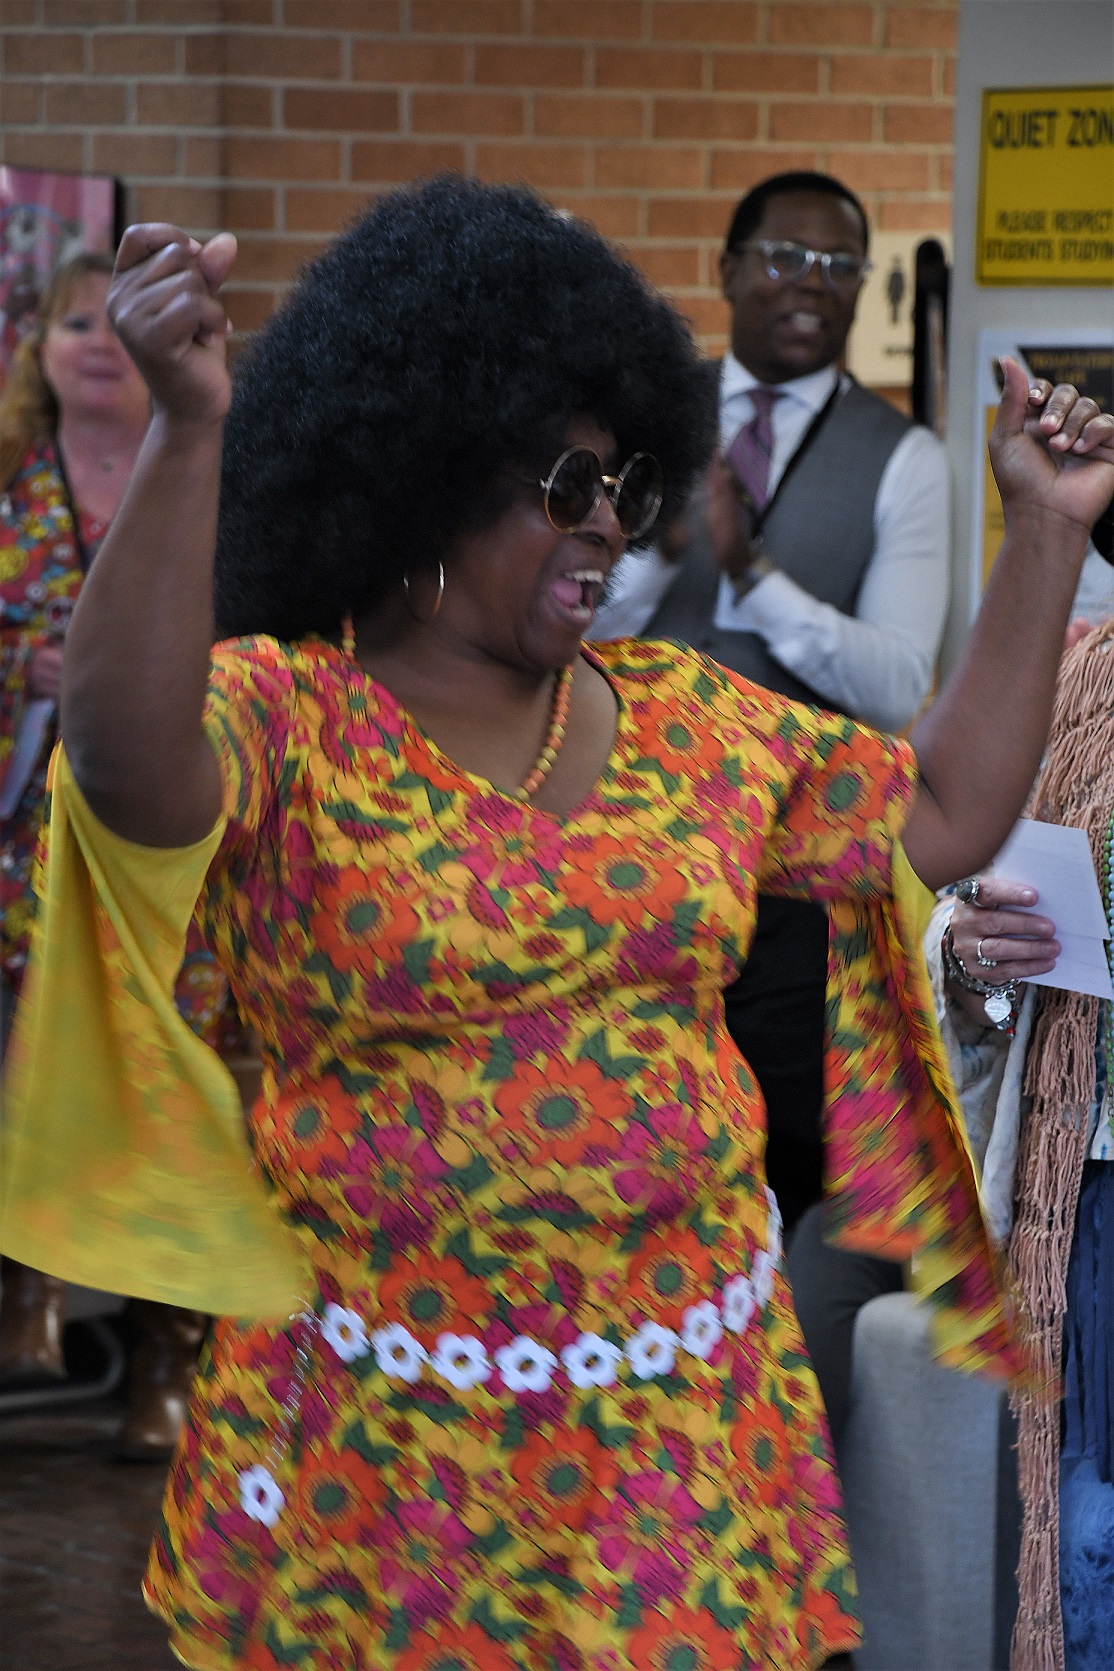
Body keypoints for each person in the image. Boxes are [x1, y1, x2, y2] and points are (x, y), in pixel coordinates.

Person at [2, 177, 1111, 1671]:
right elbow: (122, 767)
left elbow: (944, 812)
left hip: (681, 1431)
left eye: (627, 487)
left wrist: (1041, 530)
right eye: (566, 484)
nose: (607, 525)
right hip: (385, 1446)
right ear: (421, 475)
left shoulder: (689, 717)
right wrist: (189, 427)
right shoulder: (288, 714)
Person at [591, 170, 952, 1442]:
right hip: (628, 861)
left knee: (783, 1166)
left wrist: (755, 575)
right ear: (731, 267)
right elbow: (563, 623)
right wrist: (664, 550)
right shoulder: (640, 422)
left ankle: (757, 1449)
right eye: (787, 259)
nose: (812, 286)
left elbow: (896, 683)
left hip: (799, 887)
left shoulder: (904, 458)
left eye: (840, 267)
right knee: (636, 1155)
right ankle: (630, 1423)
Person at [0, 252, 231, 1457]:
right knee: (31, 1063)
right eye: (72, 321)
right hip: (21, 853)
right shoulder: (7, 485)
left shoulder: (207, 478)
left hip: (168, 850)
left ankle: (166, 1358)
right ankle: (27, 1288)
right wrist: (20, 673)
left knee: (178, 1096)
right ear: (37, 351)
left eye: (114, 322)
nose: (96, 340)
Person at [928, 619, 1114, 1671]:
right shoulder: (1076, 676)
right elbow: (968, 907)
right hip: (1089, 1207)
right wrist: (974, 958)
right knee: (1089, 1556)